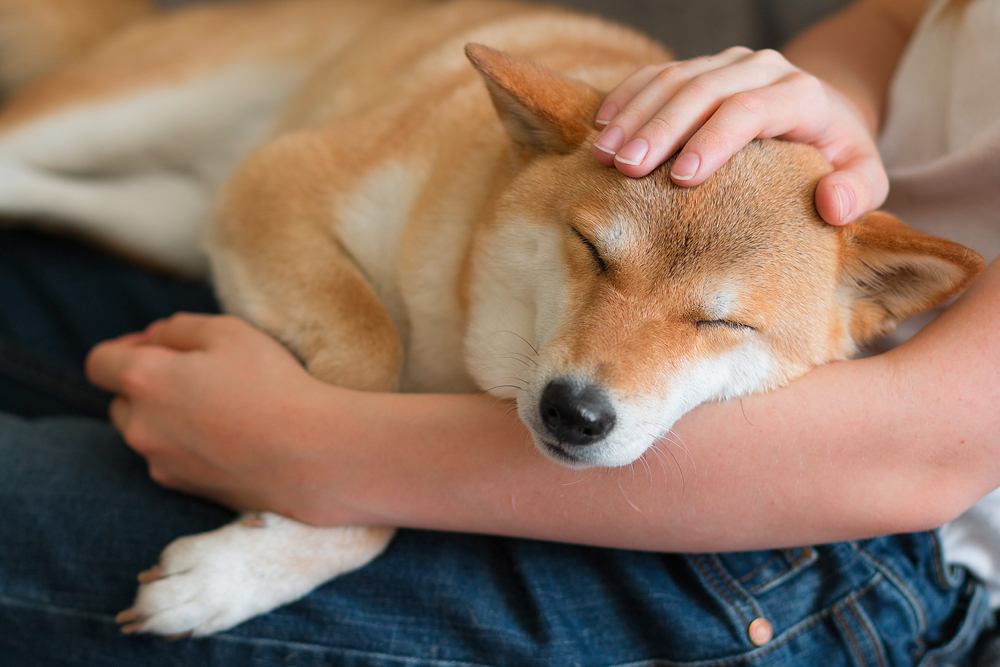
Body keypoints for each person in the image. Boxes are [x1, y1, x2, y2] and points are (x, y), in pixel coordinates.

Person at [1, 0, 998, 664]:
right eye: (596, 263)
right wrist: (815, 114)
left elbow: (917, 451)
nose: (600, 368)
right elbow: (902, 15)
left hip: (815, 539)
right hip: (681, 215)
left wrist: (323, 458)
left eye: (711, 325)